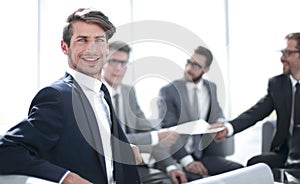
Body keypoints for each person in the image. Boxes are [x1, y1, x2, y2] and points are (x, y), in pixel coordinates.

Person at [0, 8, 140, 184]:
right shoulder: (57, 97)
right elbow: (6, 151)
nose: (92, 48)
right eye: (82, 40)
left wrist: (120, 149)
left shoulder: (102, 92)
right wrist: (65, 177)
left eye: (99, 40)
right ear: (64, 47)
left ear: (107, 48)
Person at [102, 40, 187, 184]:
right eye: (113, 62)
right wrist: (155, 136)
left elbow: (147, 128)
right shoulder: (94, 94)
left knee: (168, 181)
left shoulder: (128, 92)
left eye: (123, 63)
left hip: (132, 164)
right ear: (102, 63)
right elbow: (110, 140)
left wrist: (171, 166)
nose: (118, 68)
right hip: (106, 167)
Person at [214, 32, 300, 171]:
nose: (282, 58)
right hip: (284, 153)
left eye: (288, 53)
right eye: (282, 52)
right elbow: (256, 112)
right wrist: (228, 128)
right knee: (255, 166)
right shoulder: (277, 84)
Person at [158, 46, 243, 181]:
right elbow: (169, 130)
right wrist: (187, 161)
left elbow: (218, 115)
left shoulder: (211, 88)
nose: (189, 69)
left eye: (196, 65)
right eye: (188, 62)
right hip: (178, 157)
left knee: (240, 171)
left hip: (202, 155)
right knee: (202, 179)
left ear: (206, 70)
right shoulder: (169, 91)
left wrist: (221, 124)